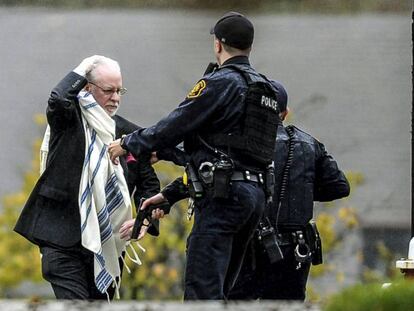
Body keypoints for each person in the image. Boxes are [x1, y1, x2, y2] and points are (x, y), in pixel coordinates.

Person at [109, 12, 287, 300]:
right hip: (254, 199)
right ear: (250, 47)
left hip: (223, 199)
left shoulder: (221, 82)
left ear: (218, 45)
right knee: (223, 293)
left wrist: (129, 143)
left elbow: (175, 124)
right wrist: (169, 190)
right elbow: (226, 149)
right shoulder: (265, 89)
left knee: (202, 295)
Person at [14, 55, 160, 300]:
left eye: (119, 91)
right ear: (87, 89)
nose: (115, 98)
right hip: (62, 241)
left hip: (109, 245)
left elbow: (149, 183)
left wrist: (144, 220)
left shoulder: (129, 134)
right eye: (108, 90)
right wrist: (88, 64)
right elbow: (59, 98)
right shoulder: (68, 119)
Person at [228, 103, 351, 301]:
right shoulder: (309, 143)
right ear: (285, 113)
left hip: (250, 249)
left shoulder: (240, 143)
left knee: (237, 303)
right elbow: (340, 186)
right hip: (296, 251)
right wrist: (303, 189)